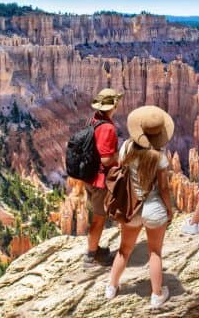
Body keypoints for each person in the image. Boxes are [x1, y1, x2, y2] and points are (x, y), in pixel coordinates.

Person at [105, 106, 174, 308]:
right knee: (155, 253)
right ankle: (157, 295)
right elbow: (163, 188)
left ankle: (111, 287)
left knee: (124, 251)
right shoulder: (159, 157)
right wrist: (169, 210)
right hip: (154, 209)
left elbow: (122, 170)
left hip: (131, 208)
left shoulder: (126, 147)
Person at [83, 88, 123, 268]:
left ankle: (95, 249)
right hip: (99, 181)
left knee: (97, 216)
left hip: (88, 176)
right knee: (99, 218)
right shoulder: (107, 128)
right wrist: (119, 156)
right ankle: (90, 257)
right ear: (113, 105)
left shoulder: (93, 120)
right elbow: (106, 159)